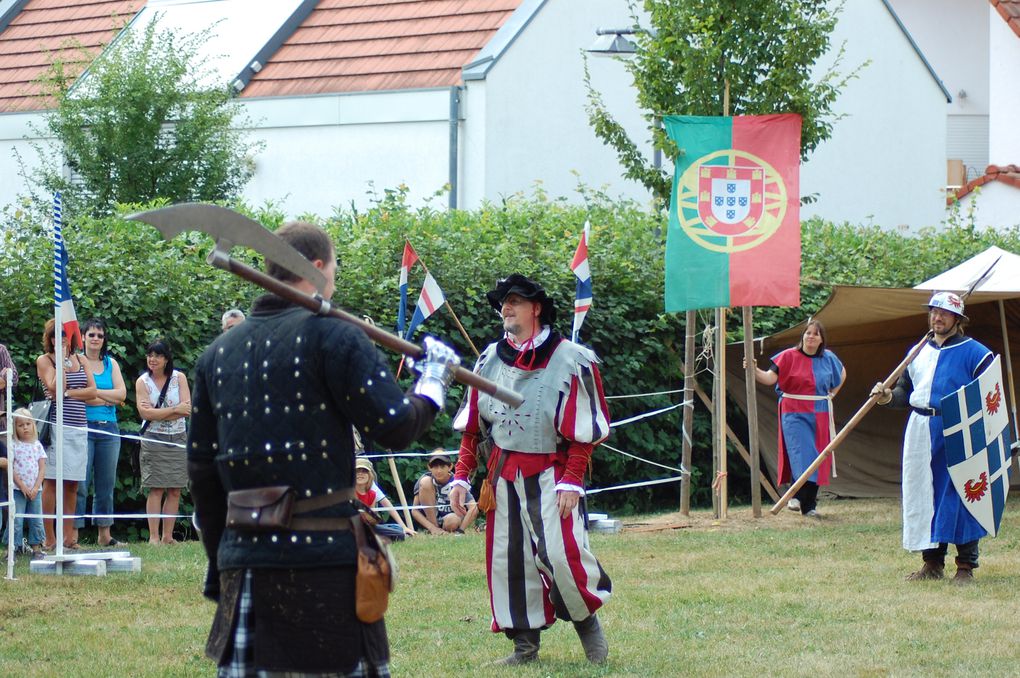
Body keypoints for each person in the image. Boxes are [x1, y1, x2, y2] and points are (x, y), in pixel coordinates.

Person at [187, 220, 460, 677]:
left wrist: (221, 565)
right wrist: (433, 380)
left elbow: (202, 476)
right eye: (333, 269)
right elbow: (394, 426)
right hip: (324, 562)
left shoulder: (217, 354)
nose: (333, 280)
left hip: (247, 560)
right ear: (316, 267)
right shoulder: (336, 335)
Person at [450, 273, 612, 666]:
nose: (506, 307)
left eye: (516, 300)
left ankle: (586, 625)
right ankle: (525, 647)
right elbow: (474, 424)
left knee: (560, 555)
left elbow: (584, 431)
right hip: (502, 474)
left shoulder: (571, 358)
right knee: (509, 561)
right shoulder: (489, 359)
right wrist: (460, 474)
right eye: (504, 301)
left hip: (552, 475)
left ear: (535, 308)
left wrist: (572, 480)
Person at [872, 291, 994, 584]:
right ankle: (932, 563)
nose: (937, 318)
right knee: (925, 494)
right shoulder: (917, 351)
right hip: (920, 430)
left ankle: (965, 566)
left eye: (944, 313)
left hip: (957, 430)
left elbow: (990, 397)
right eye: (933, 312)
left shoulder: (976, 353)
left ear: (957, 319)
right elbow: (906, 392)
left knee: (963, 495)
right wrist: (888, 397)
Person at [747, 319, 845, 517]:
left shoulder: (828, 358)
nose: (810, 336)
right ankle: (797, 495)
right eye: (808, 333)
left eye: (815, 334)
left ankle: (809, 506)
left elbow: (842, 374)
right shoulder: (787, 356)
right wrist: (753, 369)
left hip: (820, 411)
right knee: (801, 453)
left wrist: (832, 394)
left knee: (819, 456)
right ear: (803, 336)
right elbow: (768, 378)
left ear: (821, 340)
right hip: (794, 411)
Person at [36, 318, 96, 550]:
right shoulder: (45, 360)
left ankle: (68, 537)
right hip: (54, 427)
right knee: (51, 482)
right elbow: (54, 387)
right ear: (49, 339)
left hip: (78, 427)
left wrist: (69, 393)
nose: (59, 340)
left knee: (73, 484)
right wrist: (60, 361)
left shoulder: (81, 360)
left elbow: (92, 392)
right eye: (54, 336)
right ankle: (49, 538)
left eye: (63, 335)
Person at [75, 318, 126, 547]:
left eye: (100, 335)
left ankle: (104, 536)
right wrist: (107, 396)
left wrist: (95, 395)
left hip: (109, 429)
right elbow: (77, 395)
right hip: (82, 428)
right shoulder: (75, 362)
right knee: (80, 484)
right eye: (91, 334)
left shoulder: (111, 363)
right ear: (83, 336)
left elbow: (122, 395)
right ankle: (72, 535)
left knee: (105, 485)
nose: (96, 338)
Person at [136, 339, 191, 545]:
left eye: (158, 355)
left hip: (178, 437)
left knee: (175, 488)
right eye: (150, 355)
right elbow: (144, 413)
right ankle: (153, 537)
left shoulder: (180, 378)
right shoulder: (142, 382)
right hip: (153, 437)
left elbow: (187, 409)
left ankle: (168, 536)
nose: (153, 359)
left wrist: (159, 412)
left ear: (167, 358)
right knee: (156, 487)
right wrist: (174, 411)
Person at [2, 408, 47, 559]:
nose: (25, 427)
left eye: (28, 423)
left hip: (36, 490)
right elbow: (11, 467)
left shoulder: (38, 446)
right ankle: (11, 549)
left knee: (36, 518)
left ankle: (37, 548)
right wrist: (22, 486)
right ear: (15, 428)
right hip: (17, 489)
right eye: (21, 425)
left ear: (33, 425)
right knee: (16, 519)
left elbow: (42, 469)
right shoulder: (13, 445)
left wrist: (35, 488)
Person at [411, 450, 477, 535]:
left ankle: (446, 530)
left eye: (442, 467)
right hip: (431, 521)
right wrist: (432, 528)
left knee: (453, 520)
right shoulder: (424, 480)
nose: (439, 471)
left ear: (450, 467)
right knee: (425, 482)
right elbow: (414, 511)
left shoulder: (457, 482)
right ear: (429, 467)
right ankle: (435, 530)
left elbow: (473, 508)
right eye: (435, 467)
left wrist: (461, 530)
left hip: (451, 519)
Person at [354, 456, 415, 539]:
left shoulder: (372, 494)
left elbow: (373, 515)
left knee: (397, 529)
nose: (360, 474)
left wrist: (403, 527)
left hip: (368, 525)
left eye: (364, 471)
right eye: (357, 471)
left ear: (370, 475)